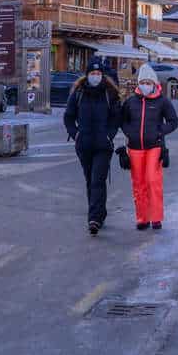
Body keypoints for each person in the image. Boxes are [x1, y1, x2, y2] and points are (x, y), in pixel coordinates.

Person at [64, 59, 121, 236]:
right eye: (92, 74)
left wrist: (109, 135)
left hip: (103, 146)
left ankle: (94, 218)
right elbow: (68, 117)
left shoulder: (109, 93)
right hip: (84, 145)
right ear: (87, 75)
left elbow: (115, 118)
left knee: (97, 180)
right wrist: (76, 134)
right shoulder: (79, 93)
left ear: (102, 75)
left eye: (98, 74)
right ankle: (99, 212)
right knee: (91, 180)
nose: (95, 77)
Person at [118, 64, 178, 231]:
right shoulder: (131, 102)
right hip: (135, 147)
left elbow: (174, 122)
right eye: (142, 82)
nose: (145, 85)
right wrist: (129, 132)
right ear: (138, 83)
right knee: (139, 183)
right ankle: (142, 218)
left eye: (148, 82)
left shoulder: (162, 101)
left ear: (154, 84)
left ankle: (156, 217)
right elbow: (122, 120)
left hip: (154, 147)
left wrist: (160, 132)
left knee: (153, 181)